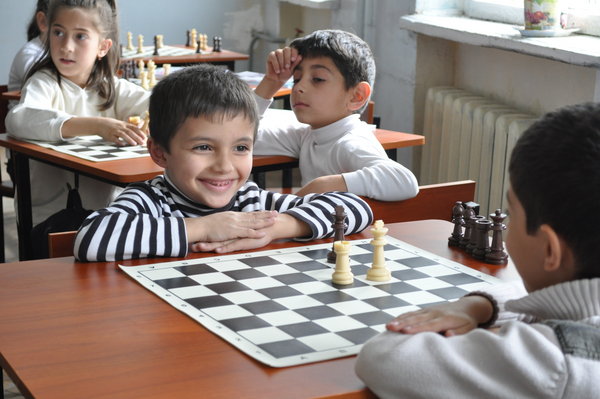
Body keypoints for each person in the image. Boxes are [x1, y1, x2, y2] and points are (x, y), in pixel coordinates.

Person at [355, 102, 600, 398]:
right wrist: (480, 304)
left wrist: (466, 307)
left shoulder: (555, 362)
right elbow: (560, 301)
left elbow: (382, 356)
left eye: (511, 213)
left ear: (550, 250)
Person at [74, 65, 373, 262]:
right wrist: (205, 227)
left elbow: (355, 208)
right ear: (160, 152)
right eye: (204, 147)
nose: (224, 165)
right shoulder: (151, 200)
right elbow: (91, 238)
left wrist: (278, 227)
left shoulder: (250, 201)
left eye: (241, 147)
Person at [5, 0, 150, 225]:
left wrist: (152, 120)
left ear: (103, 47)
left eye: (80, 36)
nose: (66, 46)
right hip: (49, 216)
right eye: (58, 33)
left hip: (106, 213)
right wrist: (97, 126)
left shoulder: (113, 86)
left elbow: (157, 104)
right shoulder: (44, 83)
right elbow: (18, 119)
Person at [252, 29, 418, 201]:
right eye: (297, 78)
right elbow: (240, 137)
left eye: (318, 79)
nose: (299, 87)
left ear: (357, 96)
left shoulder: (350, 142)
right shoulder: (309, 135)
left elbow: (404, 181)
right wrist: (271, 83)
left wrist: (322, 186)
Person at [7, 0, 49, 109]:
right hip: (26, 123)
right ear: (43, 21)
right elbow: (45, 85)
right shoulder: (28, 54)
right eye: (59, 32)